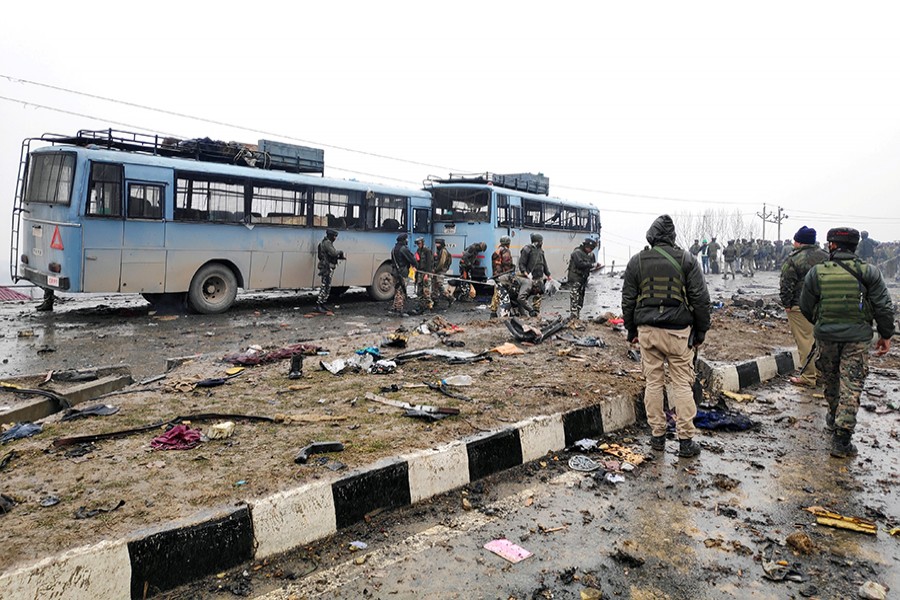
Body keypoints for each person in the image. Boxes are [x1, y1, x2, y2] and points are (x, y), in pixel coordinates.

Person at [799, 227, 894, 458]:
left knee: (831, 380)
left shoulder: (817, 273)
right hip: (857, 338)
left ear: (831, 245)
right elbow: (883, 306)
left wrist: (822, 322)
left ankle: (833, 417)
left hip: (827, 337)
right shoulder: (869, 272)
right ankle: (842, 440)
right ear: (855, 247)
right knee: (851, 385)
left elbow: (805, 306)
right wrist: (885, 334)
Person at [621, 215, 711, 458]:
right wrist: (701, 331)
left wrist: (631, 331)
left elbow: (628, 300)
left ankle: (657, 437)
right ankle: (685, 441)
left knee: (653, 382)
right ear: (672, 237)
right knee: (682, 384)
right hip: (678, 333)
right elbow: (701, 300)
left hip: (647, 332)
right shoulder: (687, 260)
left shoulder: (636, 262)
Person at [779, 226, 828, 387]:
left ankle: (809, 376)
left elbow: (787, 282)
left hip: (800, 306)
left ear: (799, 242)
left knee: (805, 340)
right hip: (824, 305)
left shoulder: (795, 258)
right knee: (822, 340)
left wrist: (787, 303)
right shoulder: (827, 257)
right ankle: (822, 374)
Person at [518, 233, 551, 315]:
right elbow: (521, 263)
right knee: (525, 294)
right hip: (529, 277)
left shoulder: (541, 251)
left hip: (539, 277)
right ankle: (522, 311)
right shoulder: (527, 249)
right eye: (541, 241)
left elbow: (544, 263)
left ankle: (536, 312)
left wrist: (548, 274)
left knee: (538, 295)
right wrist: (525, 273)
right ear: (537, 241)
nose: (542, 243)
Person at [567, 237, 598, 320]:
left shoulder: (591, 255)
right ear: (585, 246)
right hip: (575, 277)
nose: (590, 250)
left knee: (581, 296)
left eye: (592, 249)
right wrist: (591, 265)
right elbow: (579, 264)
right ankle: (573, 315)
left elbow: (592, 265)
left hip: (584, 278)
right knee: (574, 295)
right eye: (589, 248)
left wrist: (596, 266)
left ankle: (578, 313)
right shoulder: (577, 252)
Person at [315, 229, 344, 313]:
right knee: (325, 286)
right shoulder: (327, 243)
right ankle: (319, 305)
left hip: (328, 267)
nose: (335, 238)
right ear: (330, 235)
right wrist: (340, 252)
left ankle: (322, 304)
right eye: (334, 236)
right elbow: (334, 253)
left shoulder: (327, 242)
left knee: (327, 286)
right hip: (326, 267)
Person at [389, 233, 417, 315]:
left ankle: (394, 307)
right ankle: (399, 309)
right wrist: (415, 265)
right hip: (402, 272)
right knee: (401, 291)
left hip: (394, 272)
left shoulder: (394, 249)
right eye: (406, 239)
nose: (407, 240)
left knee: (397, 290)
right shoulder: (403, 249)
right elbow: (412, 259)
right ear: (404, 240)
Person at [489, 236, 515, 317]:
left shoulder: (497, 250)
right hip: (503, 275)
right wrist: (511, 269)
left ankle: (493, 312)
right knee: (504, 294)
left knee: (497, 292)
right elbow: (507, 263)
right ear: (508, 243)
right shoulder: (505, 251)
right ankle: (505, 313)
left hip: (496, 275)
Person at [431, 238, 454, 308]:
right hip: (437, 270)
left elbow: (441, 262)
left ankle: (450, 298)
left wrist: (436, 269)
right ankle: (435, 300)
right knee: (434, 285)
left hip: (440, 270)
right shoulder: (439, 250)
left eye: (438, 243)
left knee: (439, 284)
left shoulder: (443, 251)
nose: (437, 245)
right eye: (436, 243)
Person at [414, 237, 434, 313]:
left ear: (422, 243)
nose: (418, 245)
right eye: (417, 244)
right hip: (419, 272)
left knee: (426, 291)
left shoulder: (427, 251)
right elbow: (417, 261)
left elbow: (429, 263)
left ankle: (429, 307)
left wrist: (427, 274)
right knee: (419, 291)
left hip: (426, 273)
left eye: (419, 243)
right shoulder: (418, 251)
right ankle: (421, 306)